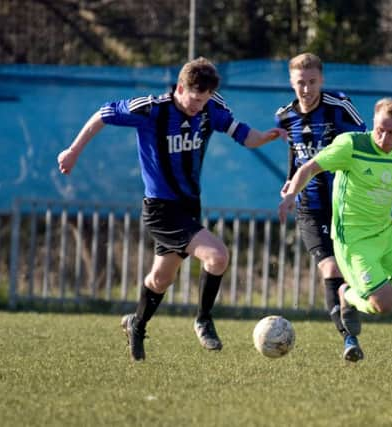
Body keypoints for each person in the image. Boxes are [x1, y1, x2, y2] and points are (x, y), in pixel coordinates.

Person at [58, 57, 286, 362]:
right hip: (160, 209)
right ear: (180, 87)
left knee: (159, 280)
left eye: (203, 100)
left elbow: (245, 136)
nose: (198, 106)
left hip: (189, 207)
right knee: (217, 256)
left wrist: (268, 136)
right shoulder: (151, 109)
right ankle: (203, 319)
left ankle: (136, 325)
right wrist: (73, 151)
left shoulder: (210, 109)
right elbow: (102, 114)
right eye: (194, 98)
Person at [279, 98, 392, 368]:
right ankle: (347, 295)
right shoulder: (352, 145)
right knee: (384, 304)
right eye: (379, 128)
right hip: (353, 238)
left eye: (391, 132)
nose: (383, 136)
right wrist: (291, 195)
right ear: (373, 122)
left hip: (386, 234)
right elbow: (310, 167)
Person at [275, 53, 367, 362]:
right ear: (291, 83)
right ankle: (348, 338)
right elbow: (295, 154)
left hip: (345, 205)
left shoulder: (340, 107)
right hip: (309, 208)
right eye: (300, 83)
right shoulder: (285, 116)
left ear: (321, 80)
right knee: (329, 267)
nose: (306, 89)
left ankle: (348, 299)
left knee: (354, 275)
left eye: (312, 82)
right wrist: (290, 185)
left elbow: (365, 145)